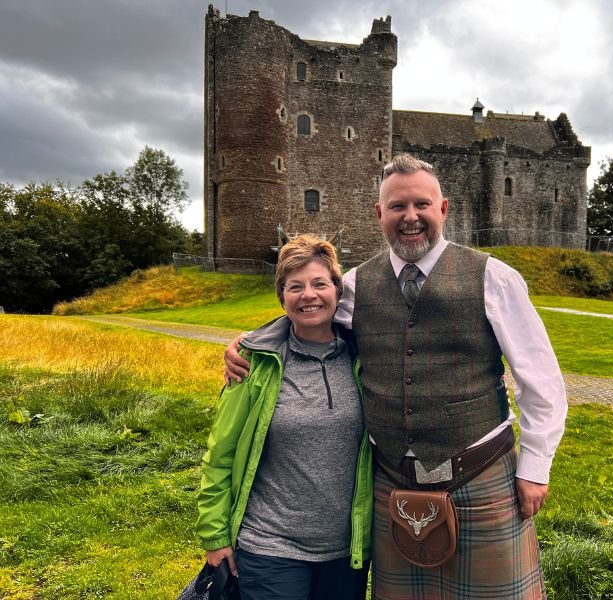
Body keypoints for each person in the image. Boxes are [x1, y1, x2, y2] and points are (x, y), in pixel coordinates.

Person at [225, 154, 568, 599]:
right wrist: (251, 343)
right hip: (393, 480)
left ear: (443, 209)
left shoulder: (493, 278)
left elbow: (540, 379)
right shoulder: (354, 286)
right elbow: (308, 318)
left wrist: (536, 467)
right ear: (379, 214)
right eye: (397, 206)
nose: (410, 217)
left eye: (421, 204)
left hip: (481, 473)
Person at [198, 235, 372, 600]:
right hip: (269, 546)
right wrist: (215, 536)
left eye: (319, 284)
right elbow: (221, 453)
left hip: (346, 552)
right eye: (295, 287)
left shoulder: (365, 357)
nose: (309, 295)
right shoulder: (254, 362)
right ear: (282, 297)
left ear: (337, 291)